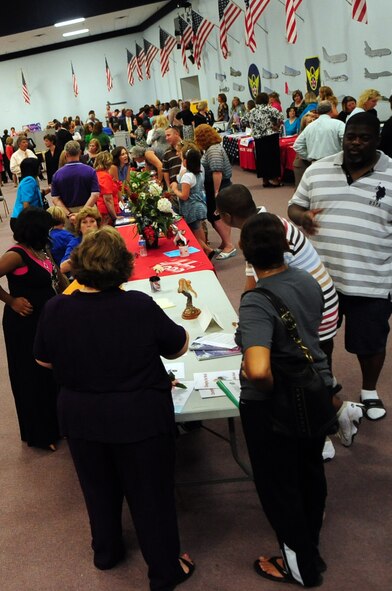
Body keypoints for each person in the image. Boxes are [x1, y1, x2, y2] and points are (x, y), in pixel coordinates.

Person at [34, 226, 195, 590]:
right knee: (150, 494)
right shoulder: (137, 305)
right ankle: (164, 570)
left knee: (98, 488)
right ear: (123, 266)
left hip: (81, 416)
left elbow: (44, 362)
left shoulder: (57, 308)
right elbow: (177, 347)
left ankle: (106, 553)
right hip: (139, 416)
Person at [216, 184, 363, 457]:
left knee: (303, 373)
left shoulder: (256, 237)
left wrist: (248, 325)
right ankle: (341, 411)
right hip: (314, 300)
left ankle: (321, 431)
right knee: (313, 370)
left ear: (225, 217)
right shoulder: (267, 224)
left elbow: (253, 290)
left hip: (311, 309)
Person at [236, 212, 331, 587]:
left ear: (246, 251)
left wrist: (252, 368)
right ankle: (310, 549)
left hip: (274, 405)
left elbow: (258, 370)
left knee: (279, 485)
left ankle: (299, 566)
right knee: (310, 472)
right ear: (286, 245)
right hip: (313, 391)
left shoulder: (256, 301)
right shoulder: (307, 279)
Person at [288, 112, 390, 421]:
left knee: (370, 342)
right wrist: (301, 217)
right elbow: (295, 205)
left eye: (364, 137)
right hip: (320, 279)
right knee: (319, 339)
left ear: (377, 140)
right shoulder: (317, 171)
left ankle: (369, 391)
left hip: (371, 278)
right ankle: (327, 383)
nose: (356, 143)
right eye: (350, 136)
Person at [0, 207, 62, 451]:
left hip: (47, 321)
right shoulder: (16, 254)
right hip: (24, 324)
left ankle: (57, 424)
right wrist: (11, 300)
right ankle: (39, 434)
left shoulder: (41, 249)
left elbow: (56, 278)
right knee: (31, 376)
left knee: (51, 373)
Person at [194, 124, 236, 259]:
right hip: (218, 187)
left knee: (216, 216)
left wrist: (216, 192)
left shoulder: (213, 150)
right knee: (218, 216)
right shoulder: (213, 148)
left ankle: (229, 245)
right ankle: (225, 243)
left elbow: (217, 172)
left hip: (219, 187)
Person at [170, 145, 212, 256]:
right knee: (198, 228)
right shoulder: (199, 174)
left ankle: (206, 250)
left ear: (185, 162)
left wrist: (174, 189)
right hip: (200, 205)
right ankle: (206, 249)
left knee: (194, 233)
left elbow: (184, 196)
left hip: (191, 207)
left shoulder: (187, 176)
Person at [241, 92, 284, 188]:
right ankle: (275, 180)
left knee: (262, 159)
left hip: (258, 137)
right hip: (271, 136)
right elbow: (281, 117)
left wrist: (252, 126)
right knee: (273, 158)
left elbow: (243, 121)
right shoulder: (271, 109)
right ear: (266, 100)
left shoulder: (252, 111)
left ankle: (265, 180)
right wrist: (276, 126)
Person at [51, 140, 100, 224]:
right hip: (89, 212)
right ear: (80, 152)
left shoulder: (57, 175)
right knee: (91, 236)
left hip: (68, 214)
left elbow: (55, 198)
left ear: (65, 154)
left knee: (70, 236)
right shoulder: (90, 171)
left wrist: (69, 214)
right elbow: (95, 194)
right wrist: (82, 213)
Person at [60, 206, 102, 275]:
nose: (88, 225)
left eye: (92, 221)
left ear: (97, 224)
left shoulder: (104, 238)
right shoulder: (75, 243)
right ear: (79, 227)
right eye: (84, 222)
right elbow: (63, 268)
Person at [10, 158, 45, 231]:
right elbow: (26, 204)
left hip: (23, 218)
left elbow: (34, 195)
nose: (40, 168)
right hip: (22, 220)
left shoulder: (28, 179)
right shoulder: (29, 181)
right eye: (38, 166)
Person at [94, 151, 121, 225]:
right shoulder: (104, 176)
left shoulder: (98, 174)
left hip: (104, 211)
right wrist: (114, 217)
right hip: (107, 214)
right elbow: (108, 199)